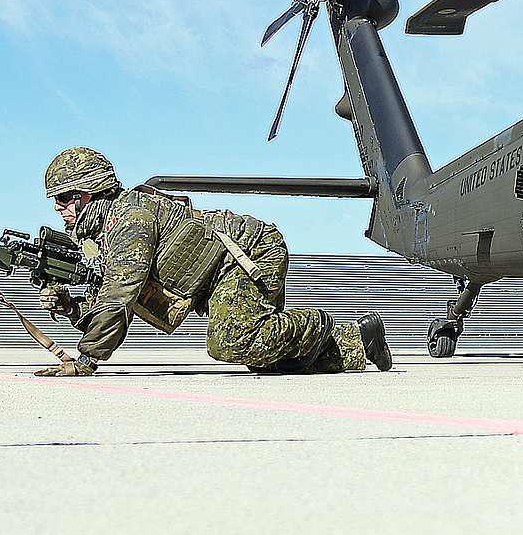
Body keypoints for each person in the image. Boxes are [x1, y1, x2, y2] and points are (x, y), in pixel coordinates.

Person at [34, 146, 394, 376]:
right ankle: (361, 340)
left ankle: (322, 326)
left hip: (249, 254)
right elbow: (108, 301)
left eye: (64, 197)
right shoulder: (109, 236)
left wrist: (86, 360)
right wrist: (68, 307)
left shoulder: (130, 220)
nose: (57, 207)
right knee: (266, 358)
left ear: (89, 193)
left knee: (229, 341)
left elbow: (119, 299)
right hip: (223, 274)